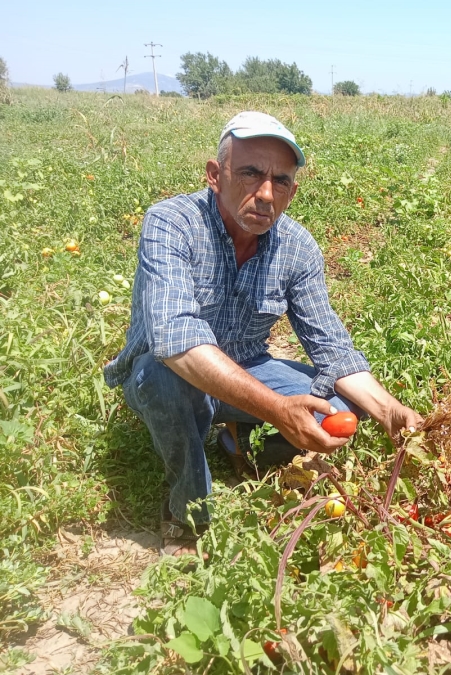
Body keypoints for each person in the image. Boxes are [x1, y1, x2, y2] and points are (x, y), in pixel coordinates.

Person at [104, 111, 423, 556]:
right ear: (216, 175)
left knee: (348, 405)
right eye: (250, 173)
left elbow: (332, 348)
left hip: (248, 367)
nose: (266, 194)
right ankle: (188, 512)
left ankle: (242, 441)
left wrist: (392, 412)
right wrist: (277, 409)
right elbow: (175, 341)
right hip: (169, 371)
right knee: (163, 381)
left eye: (282, 181)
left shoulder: (297, 247)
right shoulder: (171, 223)